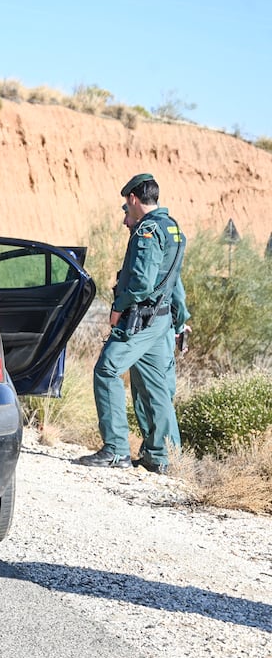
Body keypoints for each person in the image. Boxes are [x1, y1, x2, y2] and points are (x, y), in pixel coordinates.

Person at [79, 173, 187, 474]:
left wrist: (118, 308)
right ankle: (162, 457)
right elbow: (173, 280)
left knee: (107, 370)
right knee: (155, 387)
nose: (126, 213)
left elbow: (141, 283)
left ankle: (115, 450)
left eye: (127, 205)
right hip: (162, 321)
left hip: (141, 319)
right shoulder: (173, 228)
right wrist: (181, 319)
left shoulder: (148, 231)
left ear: (134, 199)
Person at [120, 203, 191, 461]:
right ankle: (156, 452)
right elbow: (177, 289)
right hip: (161, 325)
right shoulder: (162, 238)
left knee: (154, 390)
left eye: (127, 215)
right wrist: (180, 323)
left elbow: (165, 289)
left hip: (151, 324)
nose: (125, 222)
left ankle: (164, 456)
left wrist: (180, 324)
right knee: (148, 390)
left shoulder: (149, 238)